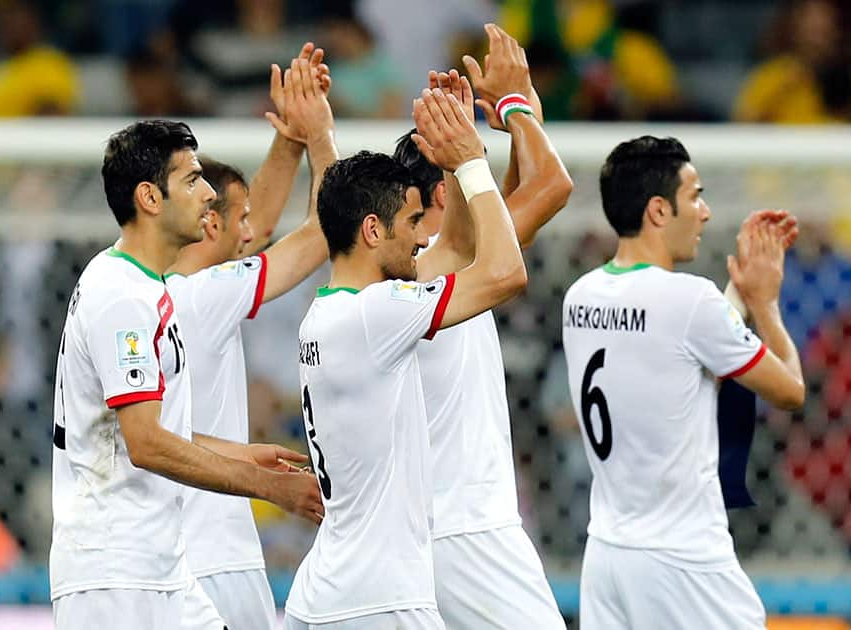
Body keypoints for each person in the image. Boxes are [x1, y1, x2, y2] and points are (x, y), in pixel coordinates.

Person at [50, 119, 323, 630]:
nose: (207, 194)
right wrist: (262, 485)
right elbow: (145, 444)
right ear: (151, 198)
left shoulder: (149, 287)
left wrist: (238, 451)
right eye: (192, 180)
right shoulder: (122, 298)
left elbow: (146, 429)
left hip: (162, 564)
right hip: (115, 575)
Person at [284, 86, 528, 629]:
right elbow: (506, 272)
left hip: (322, 590)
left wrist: (447, 166)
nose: (421, 242)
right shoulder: (378, 315)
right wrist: (470, 163)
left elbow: (460, 247)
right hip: (381, 598)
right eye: (412, 224)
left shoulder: (325, 316)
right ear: (373, 230)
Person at [562, 135, 805, 629]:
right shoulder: (691, 300)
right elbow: (790, 389)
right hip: (684, 560)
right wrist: (765, 305)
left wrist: (735, 292)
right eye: (694, 196)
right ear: (658, 210)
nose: (706, 212)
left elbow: (675, 366)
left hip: (609, 556)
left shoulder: (581, 296)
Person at [392, 24, 572, 628]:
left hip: (428, 527)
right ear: (440, 192)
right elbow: (550, 187)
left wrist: (521, 122)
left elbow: (521, 201)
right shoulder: (438, 264)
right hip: (468, 531)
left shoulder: (411, 272)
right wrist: (519, 107)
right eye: (470, 174)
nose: (484, 187)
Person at [165, 44, 338, 630]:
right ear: (209, 223)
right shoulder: (205, 297)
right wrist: (318, 136)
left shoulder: (154, 290)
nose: (253, 235)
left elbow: (260, 221)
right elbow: (321, 234)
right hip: (216, 557)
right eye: (236, 221)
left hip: (174, 552)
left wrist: (286, 139)